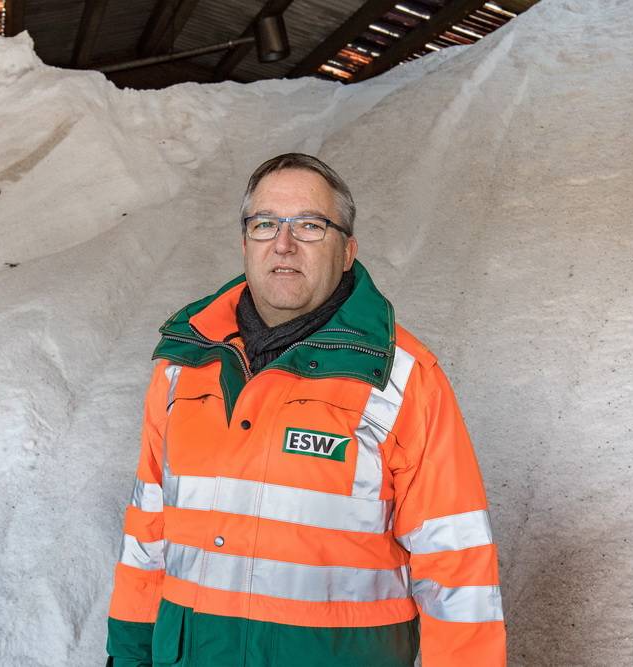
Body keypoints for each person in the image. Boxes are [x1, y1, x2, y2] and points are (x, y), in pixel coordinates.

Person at [105, 153, 506, 666]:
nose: (284, 243)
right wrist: (129, 656)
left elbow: (458, 568)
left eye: (310, 226)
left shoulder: (402, 379)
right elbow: (148, 534)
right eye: (265, 224)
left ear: (347, 251)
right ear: (245, 243)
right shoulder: (183, 367)